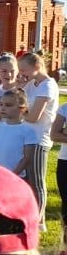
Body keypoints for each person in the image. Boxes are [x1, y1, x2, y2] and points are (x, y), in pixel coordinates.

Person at [18, 50, 60, 229]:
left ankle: (39, 221)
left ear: (36, 67)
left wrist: (20, 111)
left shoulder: (48, 86)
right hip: (27, 137)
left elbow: (34, 116)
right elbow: (16, 99)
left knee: (37, 180)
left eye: (24, 70)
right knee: (26, 180)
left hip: (39, 139)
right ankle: (28, 216)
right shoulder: (32, 84)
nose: (22, 74)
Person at [0, 89, 38, 179]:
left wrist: (12, 175)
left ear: (22, 108)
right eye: (1, 104)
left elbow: (27, 158)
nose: (3, 108)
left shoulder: (28, 131)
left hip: (16, 177)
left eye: (8, 105)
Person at [53, 99, 67, 236]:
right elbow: (54, 134)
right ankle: (65, 246)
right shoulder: (64, 108)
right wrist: (61, 132)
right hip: (65, 161)